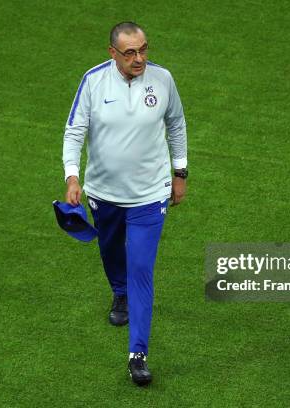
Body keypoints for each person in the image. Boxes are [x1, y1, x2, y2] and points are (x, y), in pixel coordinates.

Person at [62, 21, 188, 386]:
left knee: (142, 270)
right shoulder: (94, 81)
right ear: (112, 52)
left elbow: (176, 124)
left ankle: (138, 354)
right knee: (111, 249)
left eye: (144, 49)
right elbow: (74, 131)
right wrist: (73, 177)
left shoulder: (162, 79)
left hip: (151, 194)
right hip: (104, 193)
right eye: (130, 52)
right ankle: (119, 292)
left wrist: (181, 173)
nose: (139, 58)